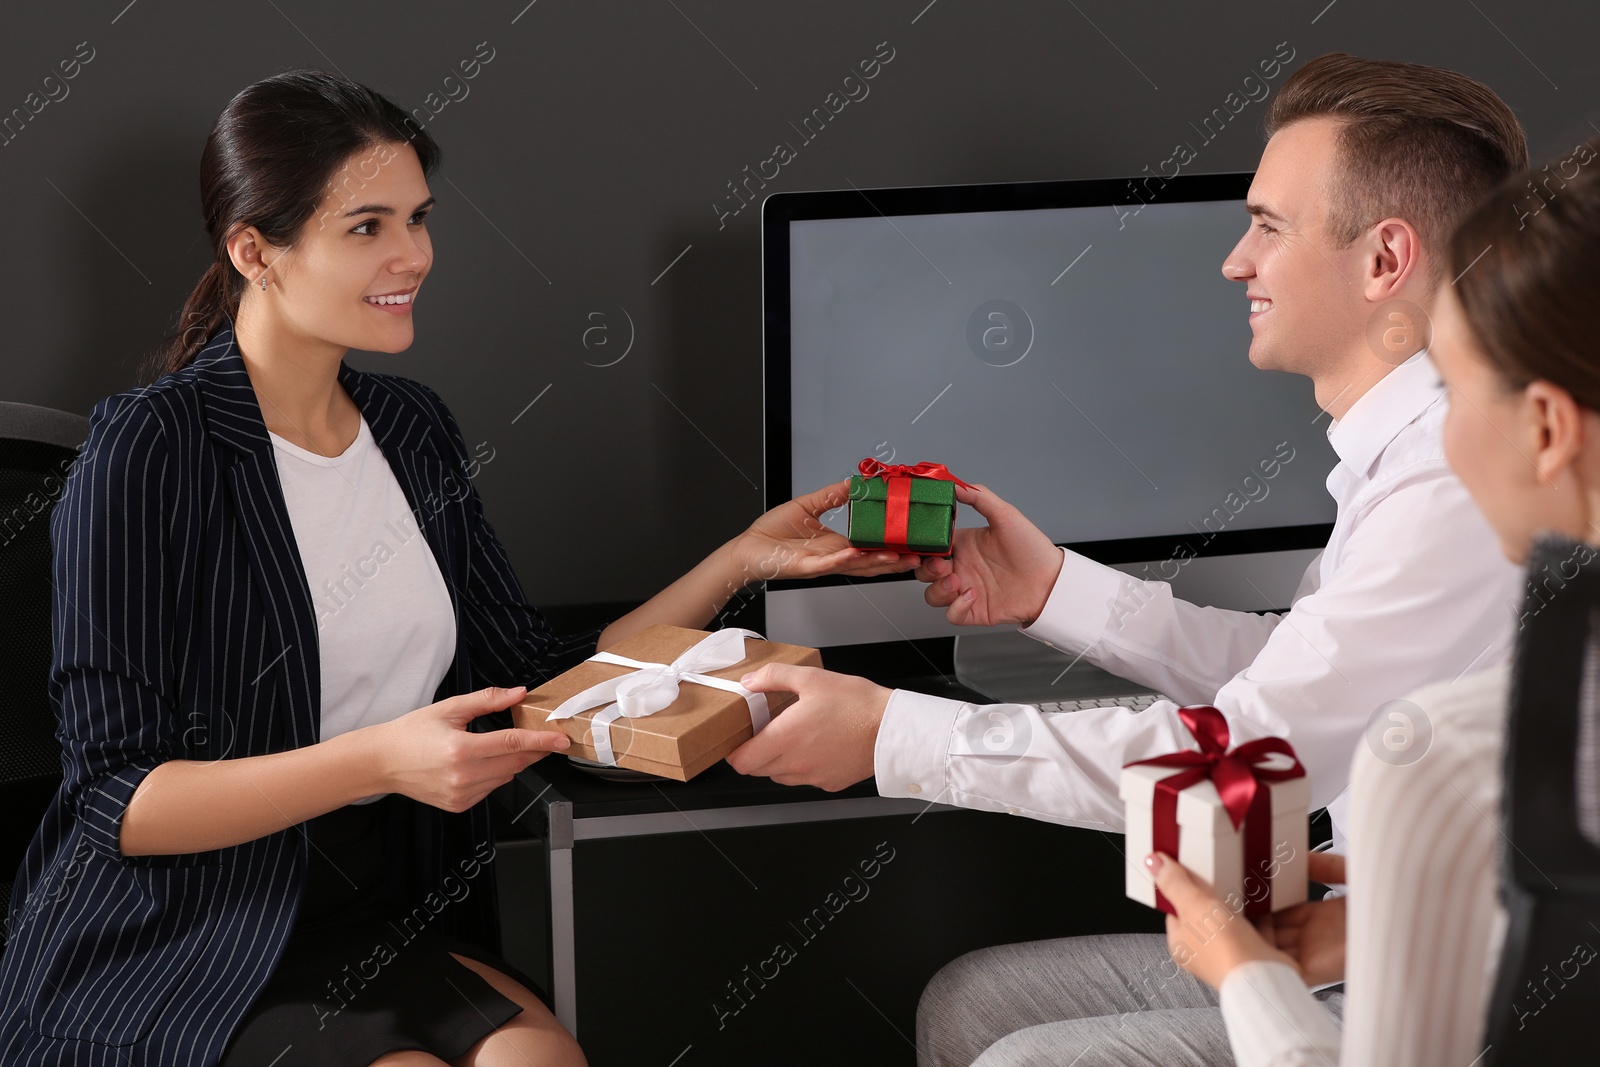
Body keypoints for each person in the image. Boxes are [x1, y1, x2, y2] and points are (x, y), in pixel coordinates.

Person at [0, 70, 918, 1067]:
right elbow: (117, 799)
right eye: (366, 227)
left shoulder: (411, 427)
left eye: (418, 218)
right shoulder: (149, 448)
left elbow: (537, 670)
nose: (412, 255)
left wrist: (742, 555)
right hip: (179, 928)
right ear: (254, 250)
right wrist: (382, 758)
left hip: (373, 905)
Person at [723, 53, 1530, 1064]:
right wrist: (1049, 589)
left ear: (1382, 262)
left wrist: (895, 732)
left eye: (1267, 227)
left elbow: (1247, 747)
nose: (1236, 262)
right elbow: (1298, 670)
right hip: (1363, 933)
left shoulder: (1452, 481)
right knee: (975, 1001)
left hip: (1443, 992)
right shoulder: (1407, 452)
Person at [1149, 129, 1600, 1066]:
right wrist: (1391, 927)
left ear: (1549, 428)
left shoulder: (1442, 758)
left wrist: (1242, 970)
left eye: (1458, 394)